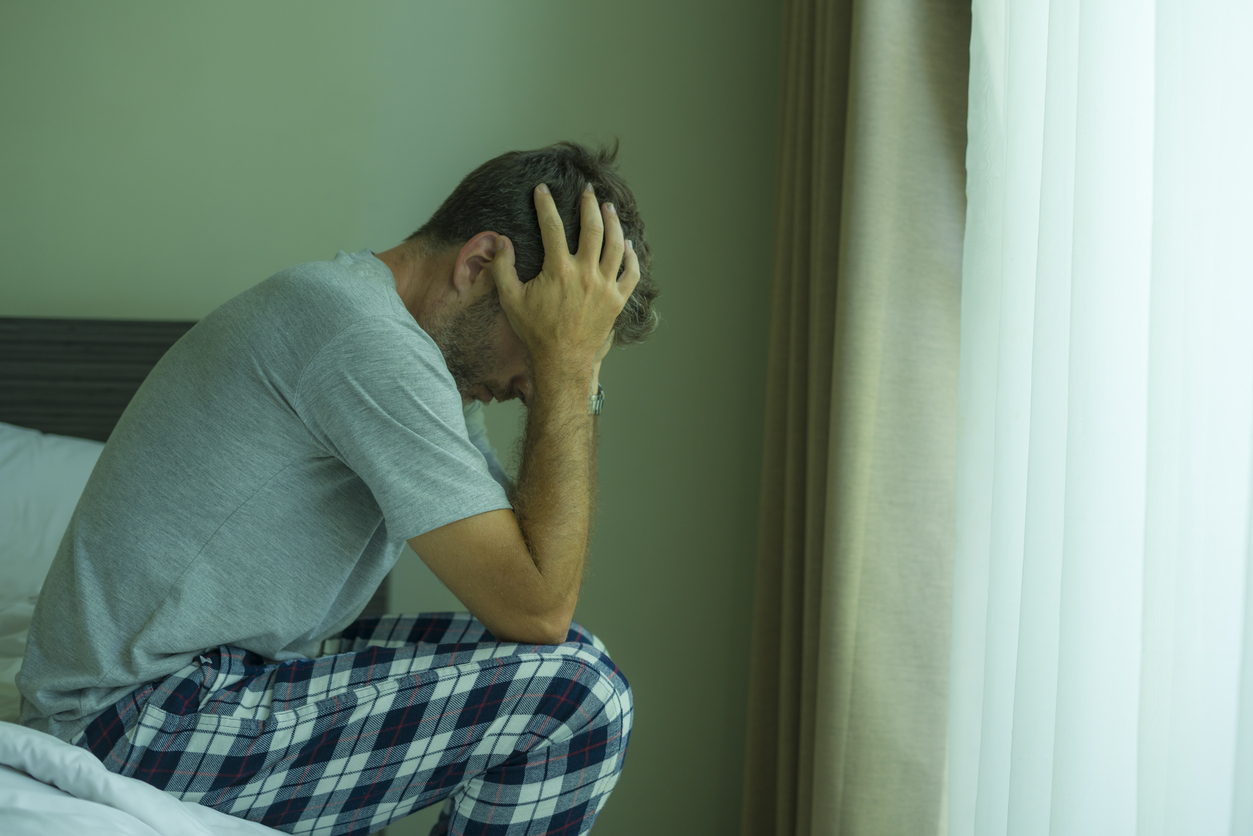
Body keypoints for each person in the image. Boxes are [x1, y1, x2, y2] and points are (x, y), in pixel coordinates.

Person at [17, 141, 659, 836]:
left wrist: (570, 368)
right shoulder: (360, 338)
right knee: (575, 698)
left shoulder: (389, 341)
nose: (526, 387)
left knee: (577, 662)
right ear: (480, 266)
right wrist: (565, 371)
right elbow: (534, 608)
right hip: (132, 722)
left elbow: (536, 595)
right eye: (536, 343)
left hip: (213, 687)